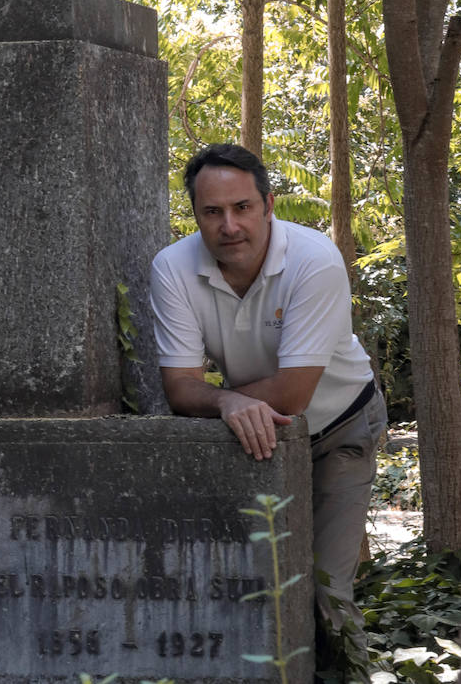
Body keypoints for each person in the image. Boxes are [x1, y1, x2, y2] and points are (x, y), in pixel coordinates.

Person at [150, 142, 386, 675]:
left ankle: (348, 673)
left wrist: (223, 397)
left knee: (324, 590)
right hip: (252, 429)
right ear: (196, 216)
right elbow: (179, 390)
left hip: (340, 425)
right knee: (250, 581)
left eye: (242, 208)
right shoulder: (172, 268)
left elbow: (294, 395)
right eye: (212, 212)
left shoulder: (314, 260)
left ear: (268, 205)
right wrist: (224, 398)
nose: (229, 225)